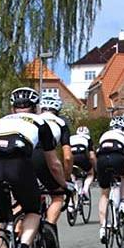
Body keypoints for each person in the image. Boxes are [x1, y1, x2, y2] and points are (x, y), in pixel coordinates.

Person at [0, 87, 63, 248]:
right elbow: (54, 164)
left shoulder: (0, 122)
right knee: (33, 210)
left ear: (13, 109)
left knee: (1, 220)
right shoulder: (41, 122)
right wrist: (63, 185)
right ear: (35, 108)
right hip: (17, 163)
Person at [94, 116, 124, 244]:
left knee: (104, 194)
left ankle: (103, 227)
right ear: (123, 127)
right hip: (118, 158)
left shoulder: (104, 135)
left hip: (101, 160)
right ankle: (123, 202)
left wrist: (98, 172)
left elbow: (97, 153)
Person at [33, 94, 72, 226]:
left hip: (22, 156)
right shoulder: (61, 123)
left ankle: (16, 235)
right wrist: (65, 180)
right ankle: (49, 228)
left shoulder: (32, 119)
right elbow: (67, 157)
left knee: (25, 199)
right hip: (42, 156)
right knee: (57, 195)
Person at [69, 126, 94, 199]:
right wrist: (95, 167)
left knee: (72, 174)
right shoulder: (88, 138)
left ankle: (73, 195)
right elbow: (92, 156)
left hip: (71, 157)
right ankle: (85, 190)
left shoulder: (71, 137)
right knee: (90, 174)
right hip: (81, 156)